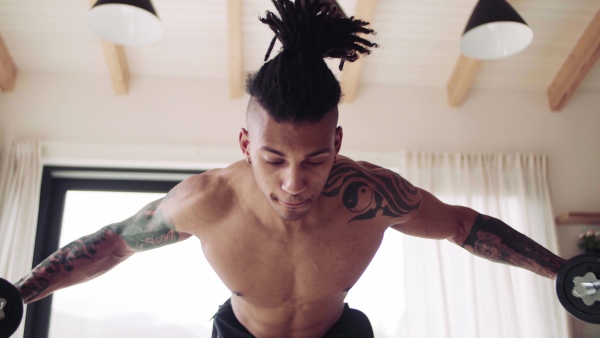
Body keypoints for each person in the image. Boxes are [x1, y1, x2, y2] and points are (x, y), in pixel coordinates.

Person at [14, 1, 566, 337]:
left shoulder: (373, 195)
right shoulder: (208, 201)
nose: (295, 182)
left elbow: (464, 227)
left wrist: (564, 272)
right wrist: (18, 293)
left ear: (339, 142)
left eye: (317, 159)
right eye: (273, 159)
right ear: (245, 143)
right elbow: (112, 244)